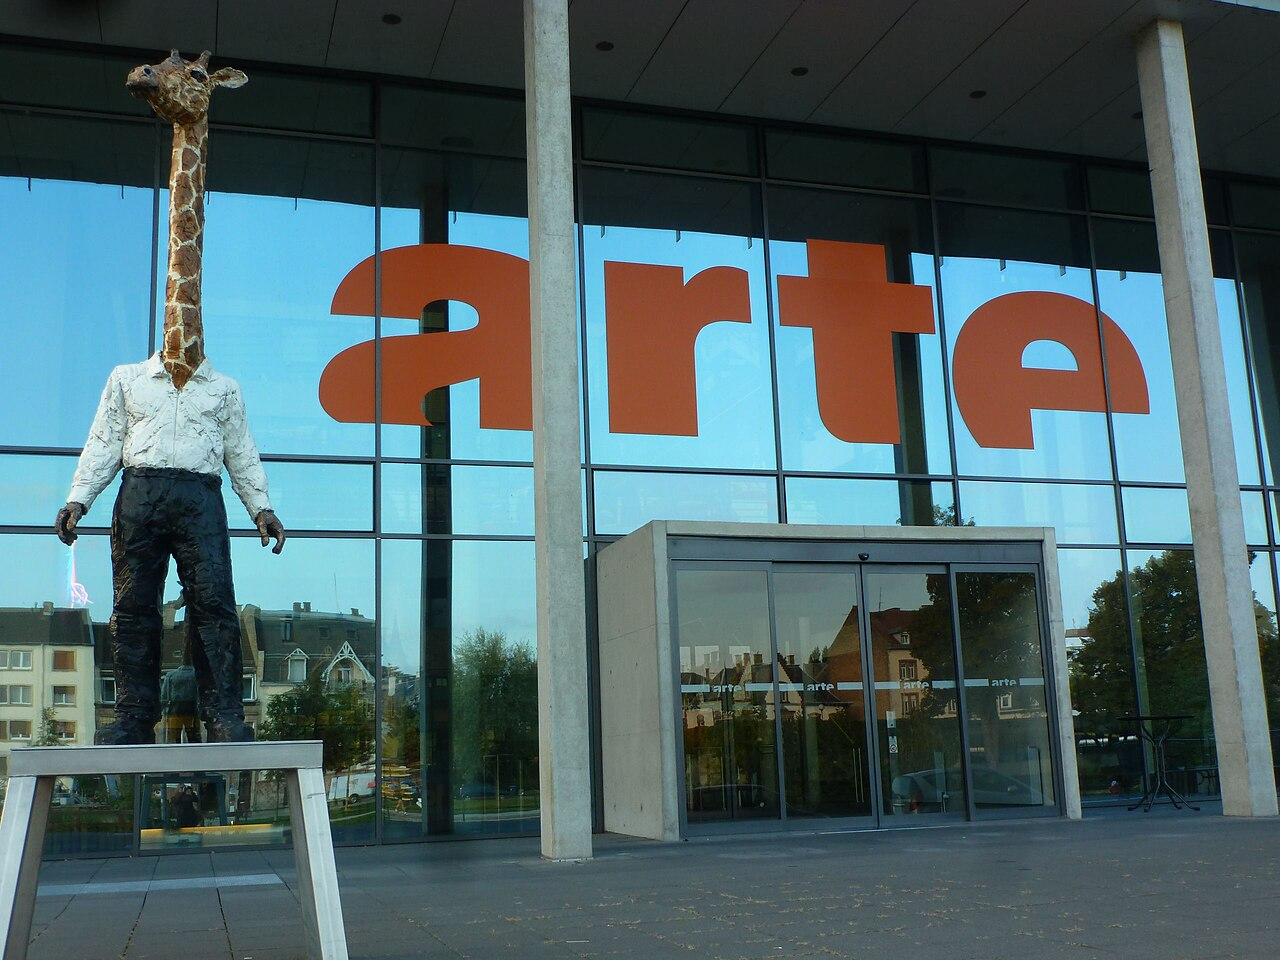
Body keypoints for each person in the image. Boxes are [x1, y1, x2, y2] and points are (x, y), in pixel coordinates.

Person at [54, 353, 285, 744]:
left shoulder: (224, 388)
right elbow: (104, 441)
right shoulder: (128, 379)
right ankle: (133, 717)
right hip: (140, 494)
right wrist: (79, 498)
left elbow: (240, 450)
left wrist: (261, 507)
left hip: (201, 497)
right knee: (132, 607)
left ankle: (225, 716)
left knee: (214, 604)